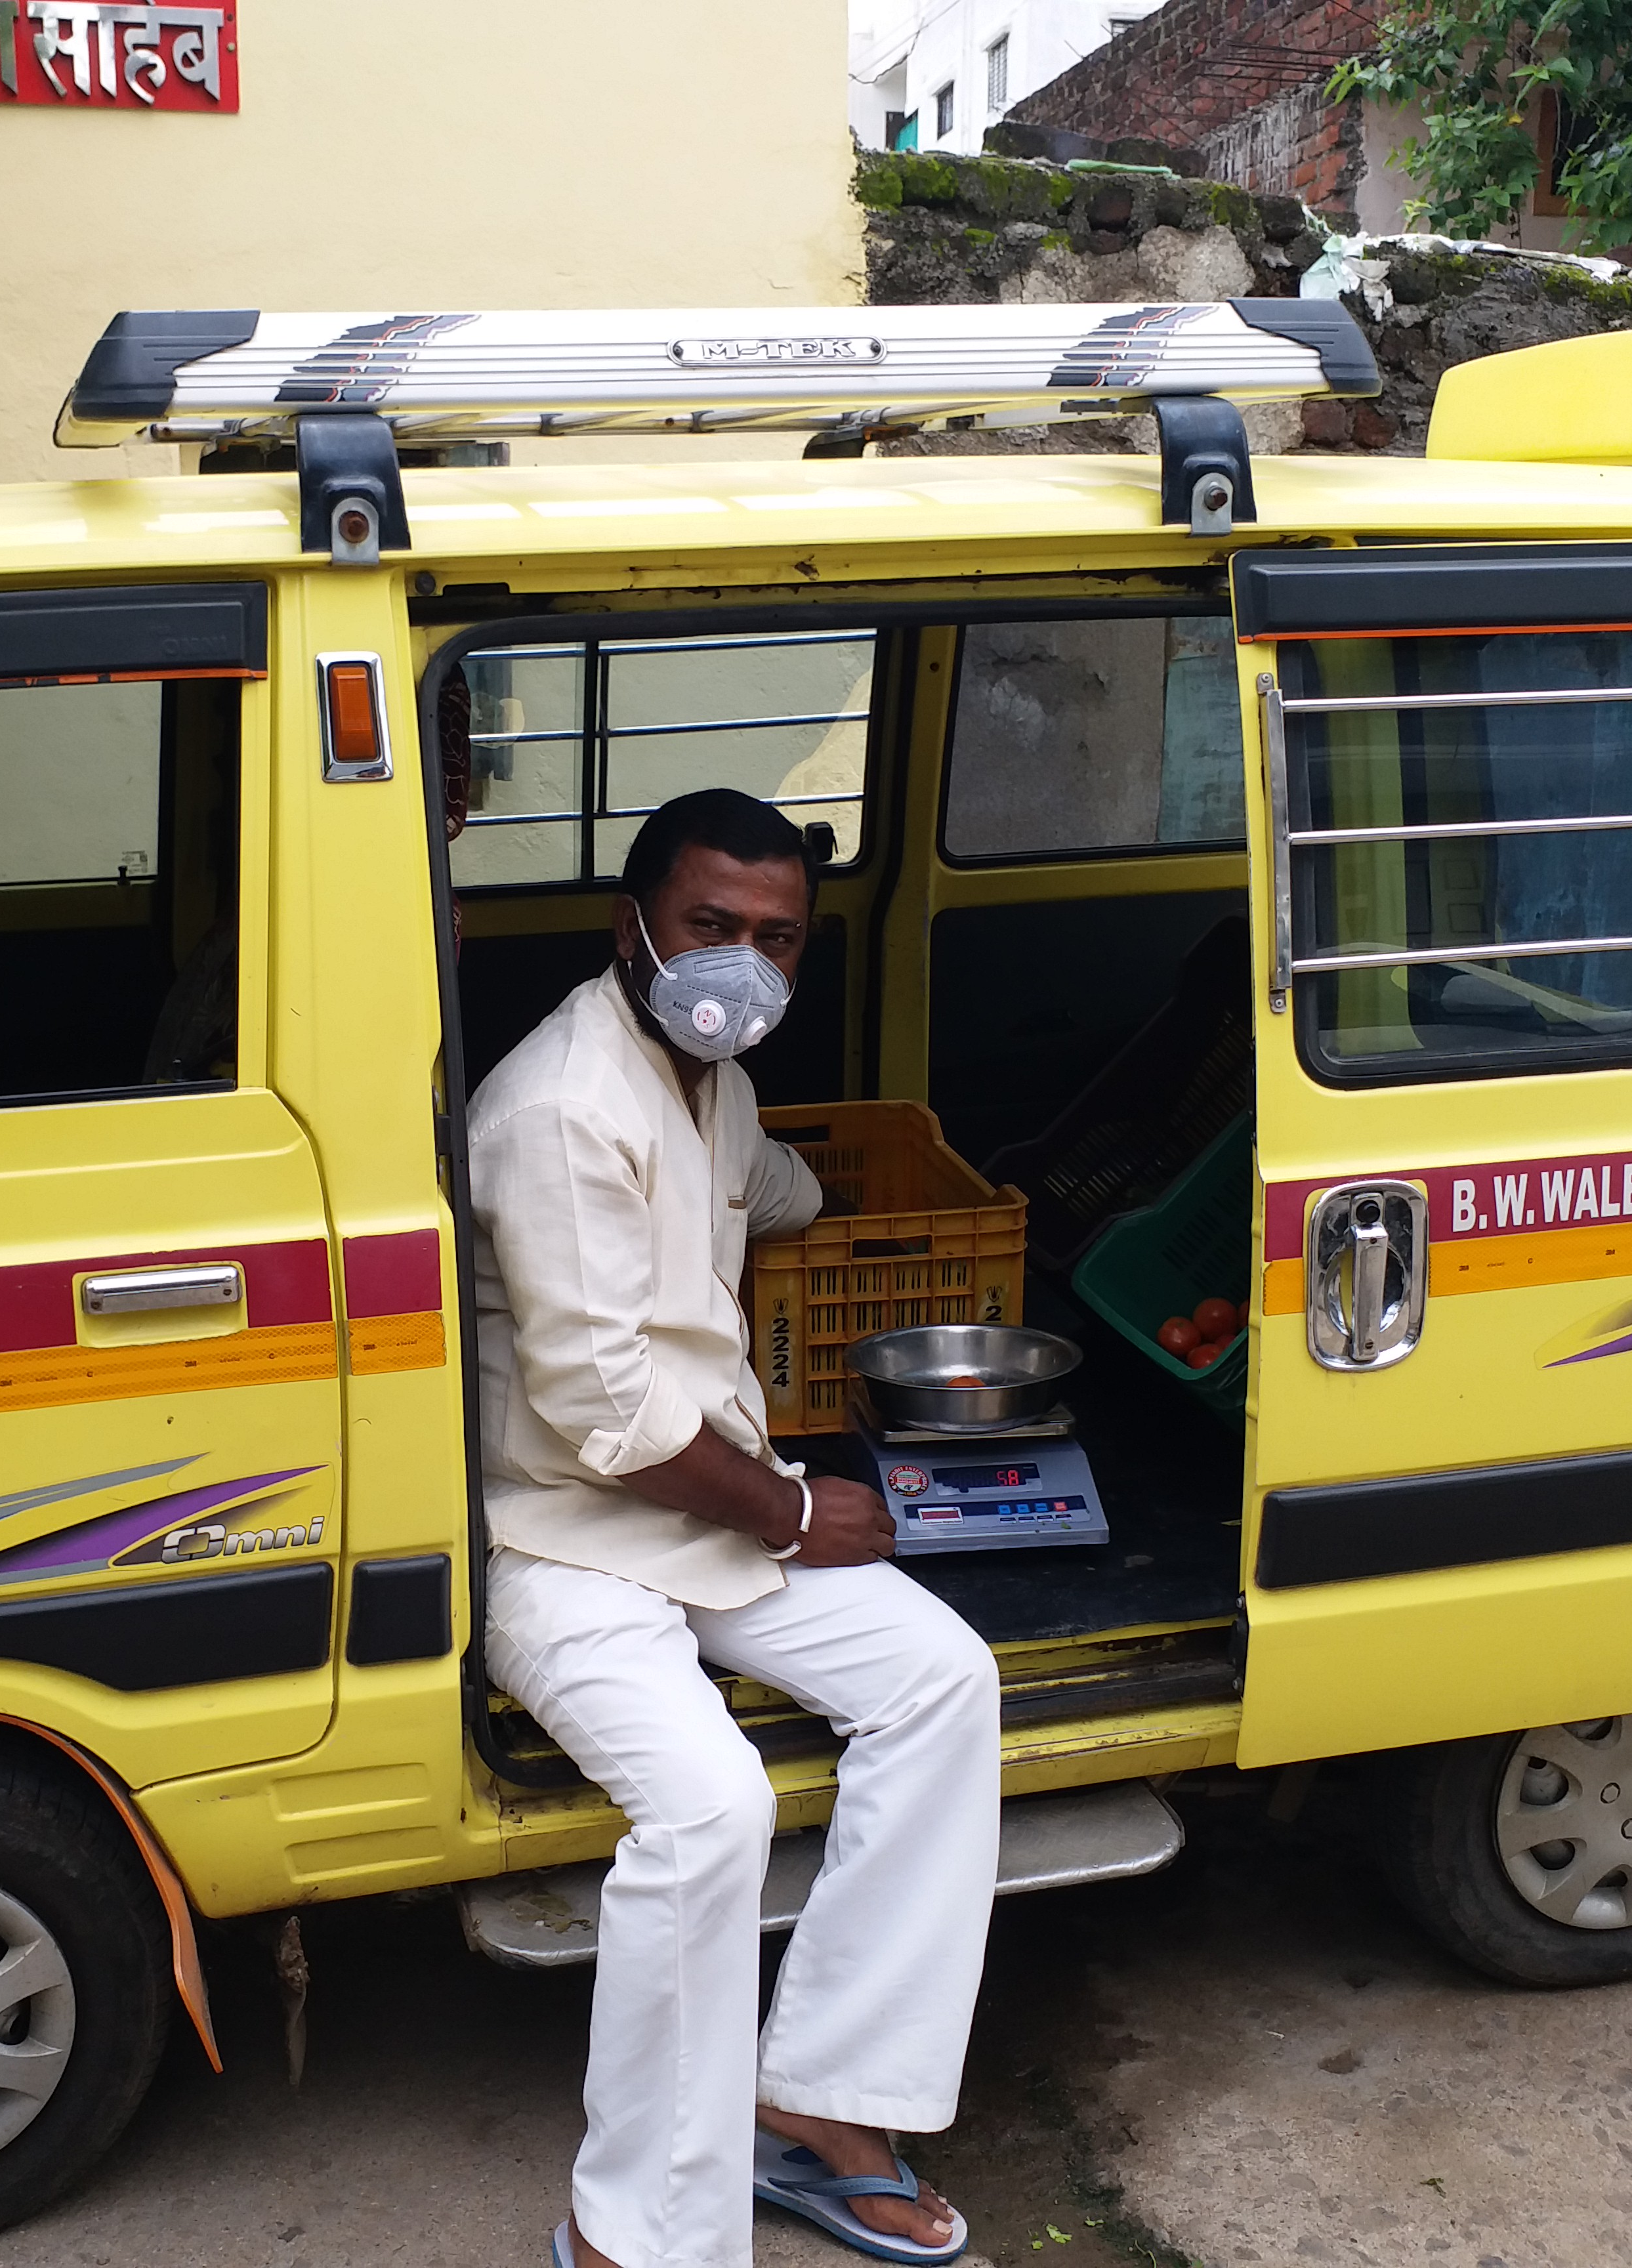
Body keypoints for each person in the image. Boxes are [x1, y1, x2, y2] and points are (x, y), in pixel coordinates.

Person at [467, 788, 1003, 2268]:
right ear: (631, 926)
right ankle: (638, 2233)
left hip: (701, 1516)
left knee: (944, 1684)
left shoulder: (712, 1074)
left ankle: (823, 2109)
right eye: (713, 927)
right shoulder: (558, 1104)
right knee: (712, 1812)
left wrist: (815, 1200)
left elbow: (761, 1184)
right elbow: (610, 1421)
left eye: (776, 940)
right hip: (563, 1534)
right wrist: (793, 1511)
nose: (743, 965)